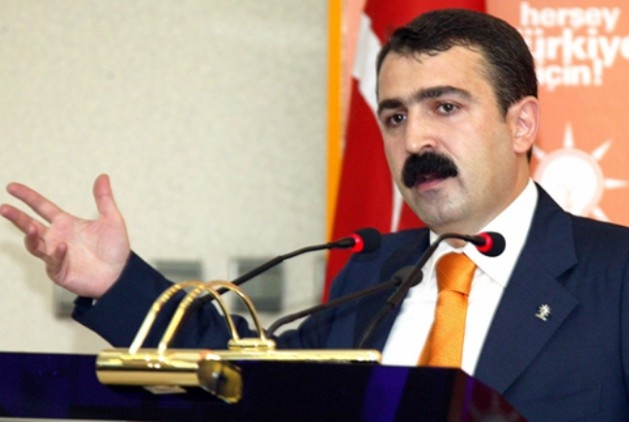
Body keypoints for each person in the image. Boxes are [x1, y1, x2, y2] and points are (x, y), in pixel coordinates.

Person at [2, 9, 628, 421]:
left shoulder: (617, 275)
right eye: (395, 116)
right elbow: (241, 379)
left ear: (521, 125)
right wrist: (116, 283)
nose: (414, 141)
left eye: (445, 107)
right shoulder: (372, 276)